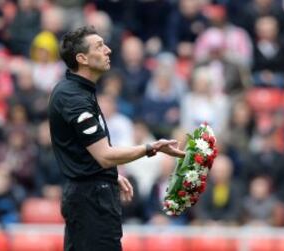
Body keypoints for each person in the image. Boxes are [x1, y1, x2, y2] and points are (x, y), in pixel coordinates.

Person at [48, 26, 185, 251]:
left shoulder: (79, 91)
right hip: (90, 202)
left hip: (91, 194)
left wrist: (107, 175)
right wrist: (151, 147)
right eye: (100, 46)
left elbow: (90, 153)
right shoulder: (73, 97)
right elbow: (104, 156)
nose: (108, 50)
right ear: (82, 58)